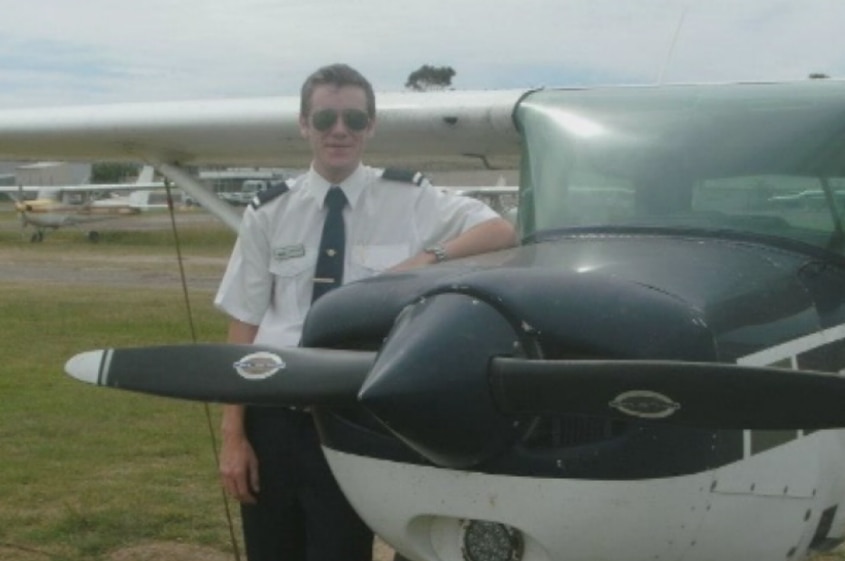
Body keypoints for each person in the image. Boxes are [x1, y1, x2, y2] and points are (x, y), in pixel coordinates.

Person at [214, 62, 517, 561]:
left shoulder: (410, 198)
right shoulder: (268, 212)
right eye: (326, 118)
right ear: (304, 125)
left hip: (355, 416)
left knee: (341, 549)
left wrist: (427, 257)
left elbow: (500, 231)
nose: (340, 131)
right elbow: (244, 323)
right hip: (275, 413)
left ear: (370, 127)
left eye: (354, 120)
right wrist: (234, 436)